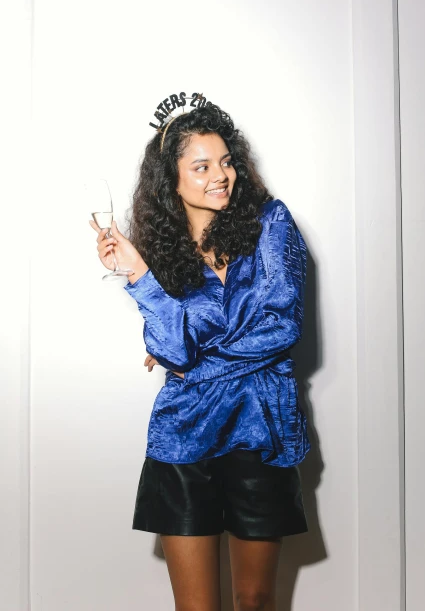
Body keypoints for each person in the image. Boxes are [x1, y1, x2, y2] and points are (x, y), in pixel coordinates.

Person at [89, 101, 311, 611]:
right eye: (203, 166)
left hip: (261, 434)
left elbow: (281, 327)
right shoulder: (161, 256)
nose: (221, 175)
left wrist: (192, 361)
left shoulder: (270, 223)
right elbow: (171, 347)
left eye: (226, 161)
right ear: (173, 180)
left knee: (254, 601)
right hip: (183, 441)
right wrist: (141, 278)